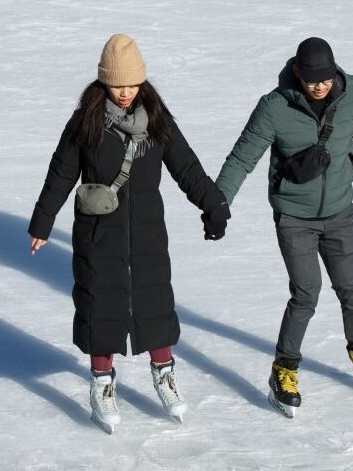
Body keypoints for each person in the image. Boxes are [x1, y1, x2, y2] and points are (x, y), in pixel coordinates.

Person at [28, 34, 229, 431]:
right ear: (104, 81)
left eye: (132, 84)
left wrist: (213, 204)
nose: (125, 93)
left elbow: (186, 167)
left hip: (148, 232)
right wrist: (43, 221)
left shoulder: (156, 119)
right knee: (100, 306)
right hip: (99, 231)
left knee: (154, 303)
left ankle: (164, 374)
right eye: (118, 84)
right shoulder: (86, 120)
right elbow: (62, 172)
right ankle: (102, 382)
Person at [215, 37, 353, 418]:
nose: (319, 86)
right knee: (306, 293)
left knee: (351, 288)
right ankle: (284, 369)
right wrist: (218, 203)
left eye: (326, 79)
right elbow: (242, 156)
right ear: (297, 71)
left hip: (340, 211)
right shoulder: (274, 107)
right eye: (312, 80)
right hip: (294, 216)